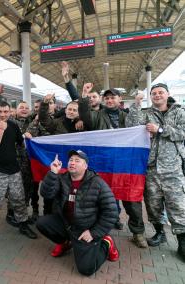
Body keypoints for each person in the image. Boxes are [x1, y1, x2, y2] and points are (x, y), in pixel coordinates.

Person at [79, 87, 147, 247]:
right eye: (107, 98)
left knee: (131, 199)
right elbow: (85, 115)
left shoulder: (128, 116)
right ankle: (100, 228)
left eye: (112, 98)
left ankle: (138, 233)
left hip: (125, 165)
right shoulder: (97, 116)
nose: (109, 100)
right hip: (104, 164)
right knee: (101, 197)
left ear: (119, 99)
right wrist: (83, 97)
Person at [36, 150, 119, 275]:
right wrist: (53, 172)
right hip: (66, 224)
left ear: (85, 166)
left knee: (86, 269)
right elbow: (46, 194)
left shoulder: (98, 183)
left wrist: (93, 233)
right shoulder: (62, 178)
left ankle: (107, 243)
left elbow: (112, 212)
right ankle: (66, 242)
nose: (72, 163)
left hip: (85, 229)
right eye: (70, 160)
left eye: (77, 160)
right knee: (42, 222)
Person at [126, 84, 185, 260]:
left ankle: (182, 241)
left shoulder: (179, 112)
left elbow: (183, 133)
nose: (157, 95)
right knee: (153, 204)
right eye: (154, 93)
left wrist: (160, 130)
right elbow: (131, 125)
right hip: (151, 168)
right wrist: (136, 103)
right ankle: (160, 233)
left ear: (168, 94)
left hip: (172, 167)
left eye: (160, 93)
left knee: (177, 205)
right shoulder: (146, 113)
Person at [0, 101, 37, 244]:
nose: (3, 115)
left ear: (10, 112)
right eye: (0, 112)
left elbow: (20, 142)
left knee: (18, 200)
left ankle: (23, 226)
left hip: (14, 170)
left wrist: (27, 136)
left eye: (6, 112)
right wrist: (0, 130)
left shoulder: (14, 125)